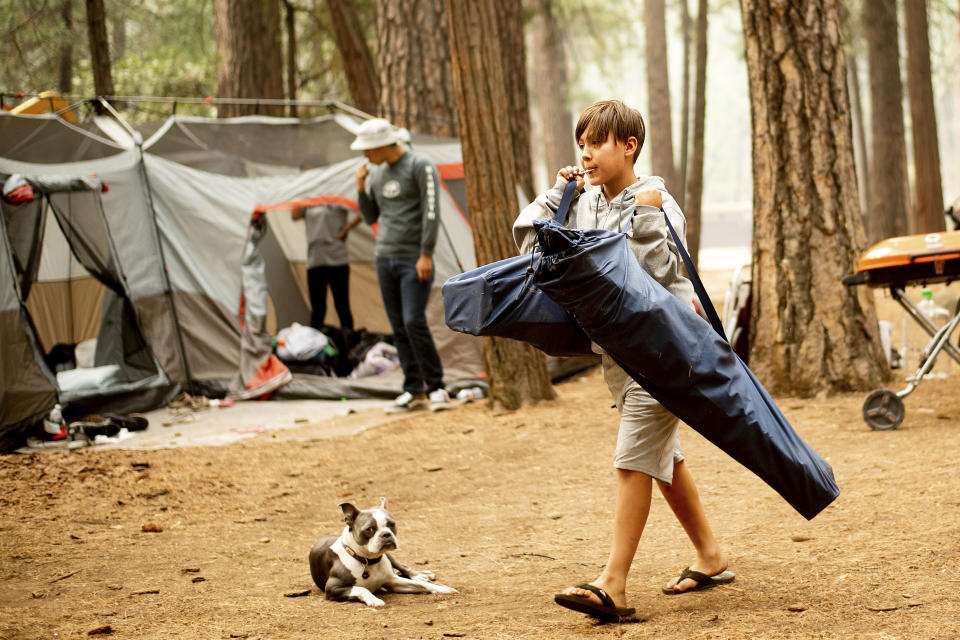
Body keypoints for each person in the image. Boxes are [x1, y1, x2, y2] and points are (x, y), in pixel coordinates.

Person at [512, 99, 733, 622]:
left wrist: (651, 215)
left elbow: (648, 276)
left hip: (665, 348)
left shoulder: (656, 199)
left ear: (628, 146)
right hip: (616, 353)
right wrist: (557, 195)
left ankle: (613, 584)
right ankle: (710, 554)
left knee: (633, 457)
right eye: (581, 145)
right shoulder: (583, 201)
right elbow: (528, 244)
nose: (585, 155)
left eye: (596, 144)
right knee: (663, 458)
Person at [351, 118, 450, 413]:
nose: (365, 156)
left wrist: (426, 253)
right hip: (385, 257)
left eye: (368, 150)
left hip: (413, 258)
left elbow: (431, 212)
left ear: (382, 145)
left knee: (413, 321)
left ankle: (436, 386)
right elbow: (371, 217)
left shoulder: (420, 166)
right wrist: (361, 189)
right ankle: (413, 388)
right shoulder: (378, 174)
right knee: (397, 326)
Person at [291, 203, 361, 333]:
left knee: (342, 306)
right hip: (315, 260)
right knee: (318, 309)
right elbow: (294, 215)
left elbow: (362, 210)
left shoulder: (336, 194)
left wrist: (347, 229)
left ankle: (349, 343)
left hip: (338, 260)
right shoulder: (309, 198)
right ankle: (313, 346)